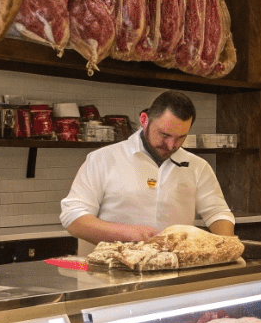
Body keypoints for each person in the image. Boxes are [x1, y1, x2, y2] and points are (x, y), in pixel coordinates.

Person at [60, 91, 234, 251]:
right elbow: (73, 218)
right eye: (164, 135)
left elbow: (217, 212)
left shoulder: (197, 166)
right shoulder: (102, 159)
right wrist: (127, 234)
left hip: (173, 269)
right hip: (107, 269)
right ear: (144, 120)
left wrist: (227, 247)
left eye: (180, 137)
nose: (171, 145)